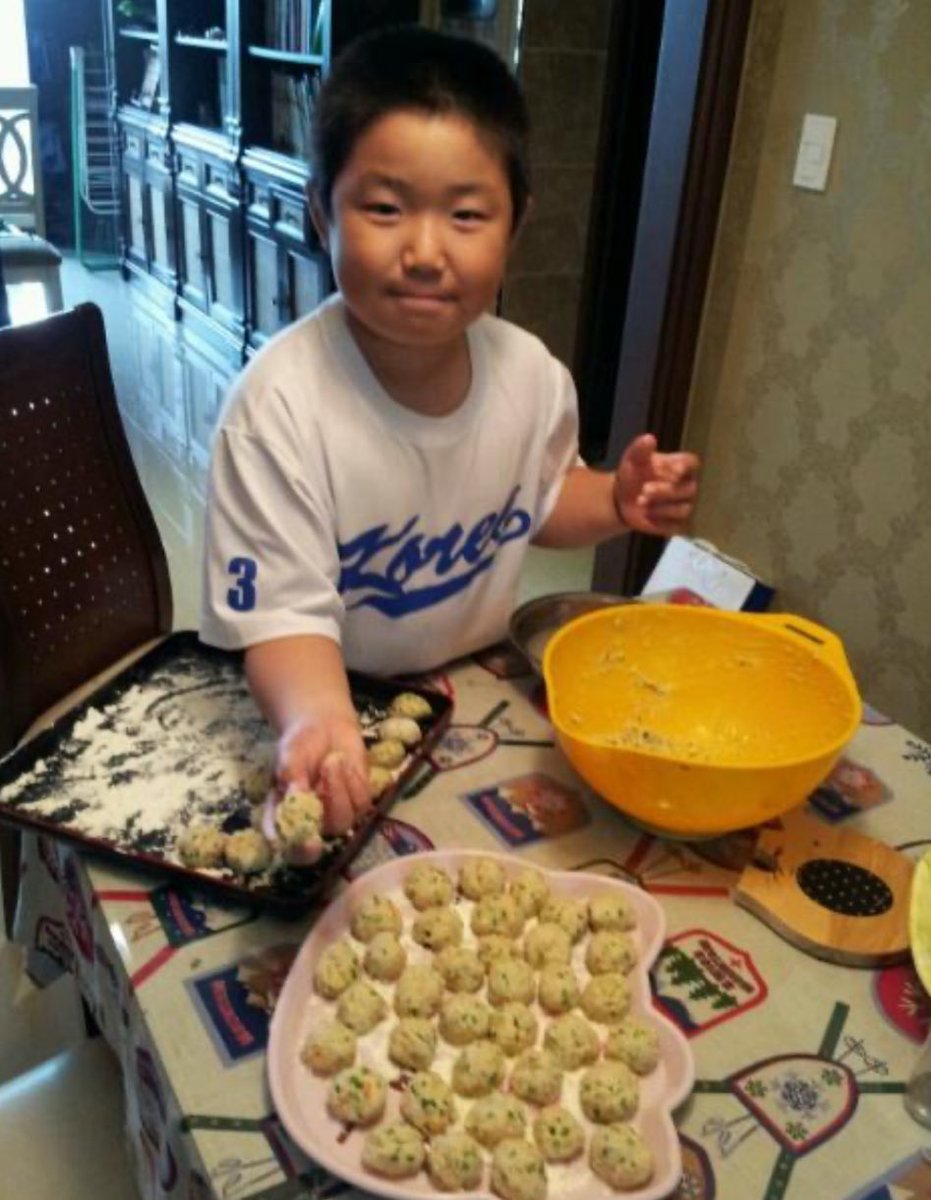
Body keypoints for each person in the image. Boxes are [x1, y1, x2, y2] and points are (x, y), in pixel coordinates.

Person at [201, 25, 699, 842]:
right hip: (326, 693)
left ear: (514, 224)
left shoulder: (532, 376)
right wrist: (319, 725)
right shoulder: (277, 411)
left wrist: (612, 498)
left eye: (467, 215)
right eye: (385, 208)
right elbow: (284, 621)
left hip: (472, 684)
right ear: (321, 214)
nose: (426, 252)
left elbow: (542, 500)